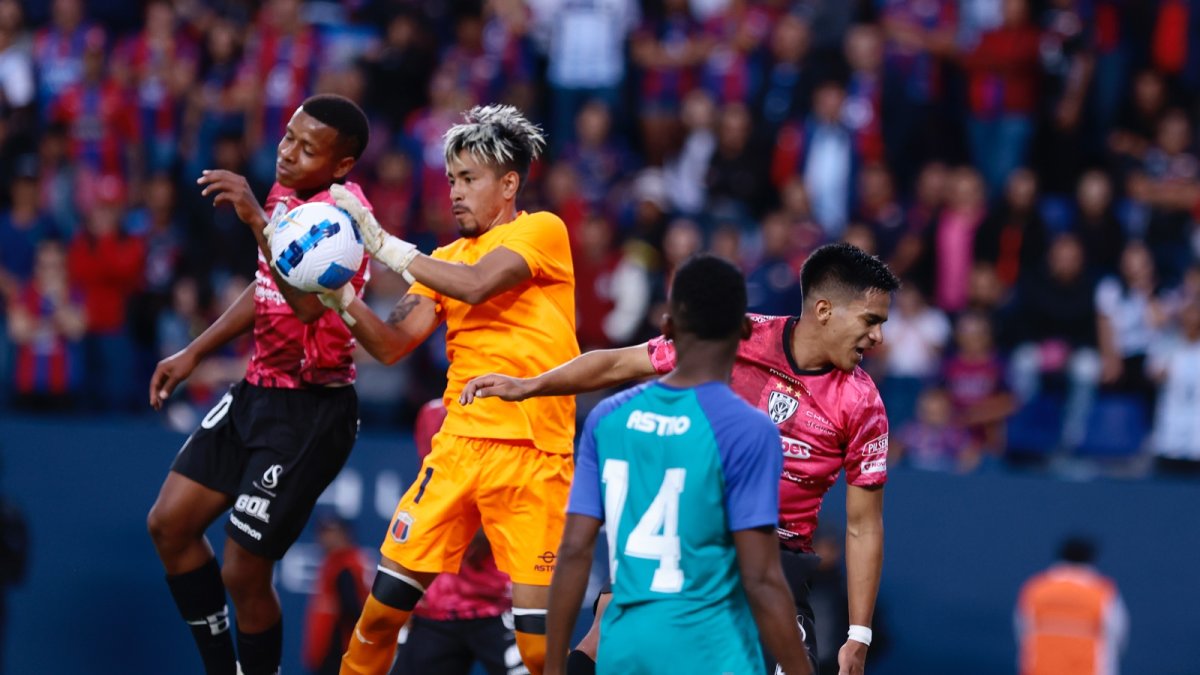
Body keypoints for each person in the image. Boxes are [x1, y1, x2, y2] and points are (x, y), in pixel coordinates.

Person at [463, 242, 899, 675]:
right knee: (606, 633)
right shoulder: (734, 337)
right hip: (691, 531)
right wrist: (529, 386)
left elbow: (863, 525)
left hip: (778, 555)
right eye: (871, 320)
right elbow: (618, 364)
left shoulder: (862, 404)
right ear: (824, 310)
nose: (878, 337)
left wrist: (858, 635)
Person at [315, 104, 578, 675]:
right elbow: (390, 345)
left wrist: (383, 244)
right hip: (458, 451)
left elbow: (481, 285)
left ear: (508, 184)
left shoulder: (541, 231)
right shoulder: (442, 261)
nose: (455, 192)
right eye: (451, 179)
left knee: (537, 650)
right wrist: (338, 296)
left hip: (535, 457)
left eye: (469, 179)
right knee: (379, 617)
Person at [144, 93, 372, 675]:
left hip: (311, 411)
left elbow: (302, 304)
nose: (287, 154)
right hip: (256, 389)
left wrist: (255, 218)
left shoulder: (342, 218)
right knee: (169, 525)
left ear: (341, 164)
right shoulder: (283, 196)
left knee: (243, 568)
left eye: (306, 148)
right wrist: (196, 350)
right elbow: (268, 285)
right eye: (288, 137)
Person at [544, 254, 813, 675]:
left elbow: (575, 551)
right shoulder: (750, 430)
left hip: (623, 654)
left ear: (668, 327)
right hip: (710, 654)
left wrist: (553, 670)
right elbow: (761, 580)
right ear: (744, 331)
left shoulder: (608, 418)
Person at [390, 399, 528, 675]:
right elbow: (432, 489)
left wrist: (487, 521)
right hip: (437, 603)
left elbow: (520, 494)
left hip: (501, 599)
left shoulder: (517, 408)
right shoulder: (431, 414)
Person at [1015, 536, 1128, 675]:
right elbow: (1117, 633)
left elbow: (1023, 629)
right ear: (1091, 558)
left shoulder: (1037, 589)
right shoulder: (1102, 592)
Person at [303, 514, 369, 675]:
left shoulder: (345, 567)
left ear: (345, 535)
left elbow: (352, 608)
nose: (326, 538)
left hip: (337, 654)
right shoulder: (332, 564)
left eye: (332, 532)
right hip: (326, 654)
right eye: (323, 532)